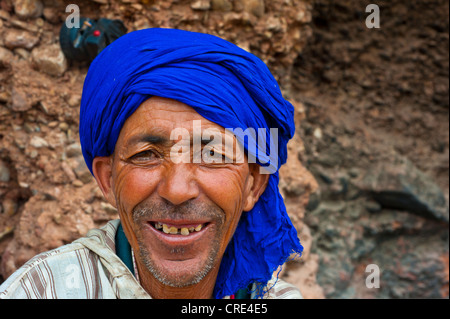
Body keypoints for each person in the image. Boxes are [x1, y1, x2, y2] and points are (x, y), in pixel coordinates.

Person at [0, 28, 303, 299]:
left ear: (254, 184)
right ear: (108, 179)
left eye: (212, 155)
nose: (177, 190)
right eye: (146, 155)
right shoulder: (41, 291)